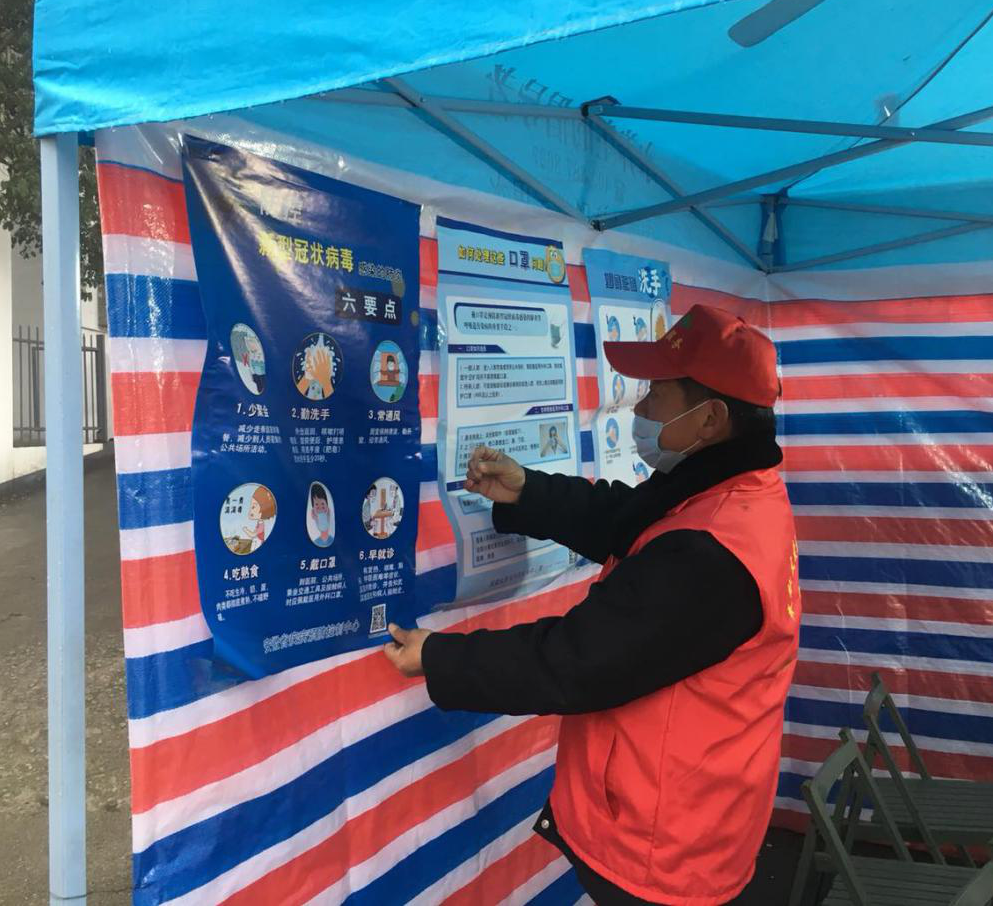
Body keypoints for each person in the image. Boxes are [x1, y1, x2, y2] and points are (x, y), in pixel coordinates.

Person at [384, 304, 800, 905]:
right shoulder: (732, 492)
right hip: (689, 812)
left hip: (665, 845)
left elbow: (575, 661)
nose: (640, 409)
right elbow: (628, 520)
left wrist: (440, 658)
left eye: (657, 393)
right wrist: (528, 491)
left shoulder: (712, 554)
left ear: (710, 419)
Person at [308, 482, 333, 548]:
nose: (320, 507)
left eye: (322, 504)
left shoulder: (331, 538)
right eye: (316, 504)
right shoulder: (317, 541)